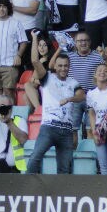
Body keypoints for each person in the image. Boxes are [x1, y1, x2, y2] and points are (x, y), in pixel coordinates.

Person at [25, 46, 84, 174]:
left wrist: (69, 99)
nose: (63, 68)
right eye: (60, 65)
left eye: (66, 66)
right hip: (49, 128)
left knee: (64, 168)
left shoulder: (73, 82)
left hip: (67, 130)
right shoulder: (47, 78)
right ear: (55, 67)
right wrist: (34, 39)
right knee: (35, 157)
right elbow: (35, 61)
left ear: (69, 67)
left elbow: (81, 96)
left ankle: (61, 193)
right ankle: (28, 186)